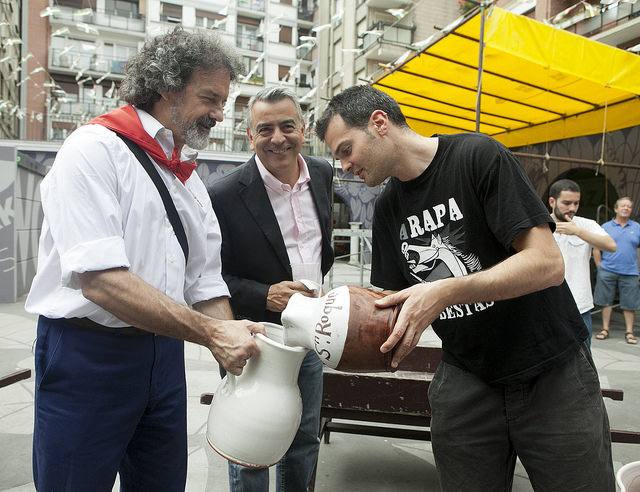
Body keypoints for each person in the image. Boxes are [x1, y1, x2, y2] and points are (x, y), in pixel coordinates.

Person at [315, 85, 615, 491]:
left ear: (379, 123)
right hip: (466, 377)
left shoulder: (476, 157)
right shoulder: (388, 209)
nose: (345, 166)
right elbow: (387, 308)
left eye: (346, 149)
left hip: (553, 370)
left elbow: (547, 263)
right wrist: (322, 316)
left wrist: (445, 291)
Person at [25, 27, 265, 491]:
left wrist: (235, 359)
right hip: (86, 354)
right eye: (210, 98)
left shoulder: (187, 178)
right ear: (167, 87)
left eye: (224, 101)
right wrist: (214, 333)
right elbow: (101, 282)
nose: (219, 114)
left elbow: (205, 283)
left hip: (164, 355)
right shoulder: (92, 150)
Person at [209, 87, 334, 491]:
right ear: (249, 136)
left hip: (310, 337)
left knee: (304, 438)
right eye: (265, 129)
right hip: (257, 339)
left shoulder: (323, 173)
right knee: (250, 448)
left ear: (303, 129)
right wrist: (265, 295)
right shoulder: (224, 195)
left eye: (287, 126)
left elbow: (322, 249)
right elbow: (210, 278)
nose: (277, 138)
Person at [548, 179, 616, 347]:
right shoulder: (540, 226)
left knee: (584, 359)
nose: (572, 208)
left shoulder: (586, 224)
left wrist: (577, 231)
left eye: (576, 203)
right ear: (552, 201)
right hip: (548, 307)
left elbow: (611, 246)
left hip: (580, 306)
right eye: (566, 203)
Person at [593, 197, 640, 344]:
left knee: (630, 303)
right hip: (607, 270)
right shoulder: (606, 227)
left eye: (629, 206)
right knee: (605, 301)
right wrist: (599, 266)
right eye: (623, 206)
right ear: (616, 209)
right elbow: (596, 247)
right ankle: (605, 329)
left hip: (631, 271)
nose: (626, 208)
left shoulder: (637, 227)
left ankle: (629, 332)